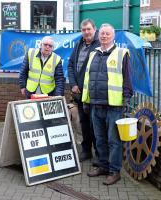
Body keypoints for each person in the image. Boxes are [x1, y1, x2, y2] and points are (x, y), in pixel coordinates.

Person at [82, 23, 133, 185]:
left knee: (114, 141)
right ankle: (102, 166)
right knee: (100, 139)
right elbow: (88, 79)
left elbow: (127, 78)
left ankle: (114, 171)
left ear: (113, 36)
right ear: (98, 35)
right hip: (96, 104)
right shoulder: (93, 54)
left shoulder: (121, 53)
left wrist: (125, 99)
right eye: (102, 34)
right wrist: (86, 100)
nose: (104, 36)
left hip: (114, 106)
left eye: (107, 34)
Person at [68, 19, 100, 162]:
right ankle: (86, 151)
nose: (86, 32)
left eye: (88, 29)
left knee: (96, 125)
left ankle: (99, 154)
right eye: (83, 30)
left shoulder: (99, 44)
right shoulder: (79, 44)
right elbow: (70, 65)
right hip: (79, 93)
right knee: (84, 123)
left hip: (93, 93)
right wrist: (73, 84)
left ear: (94, 29)